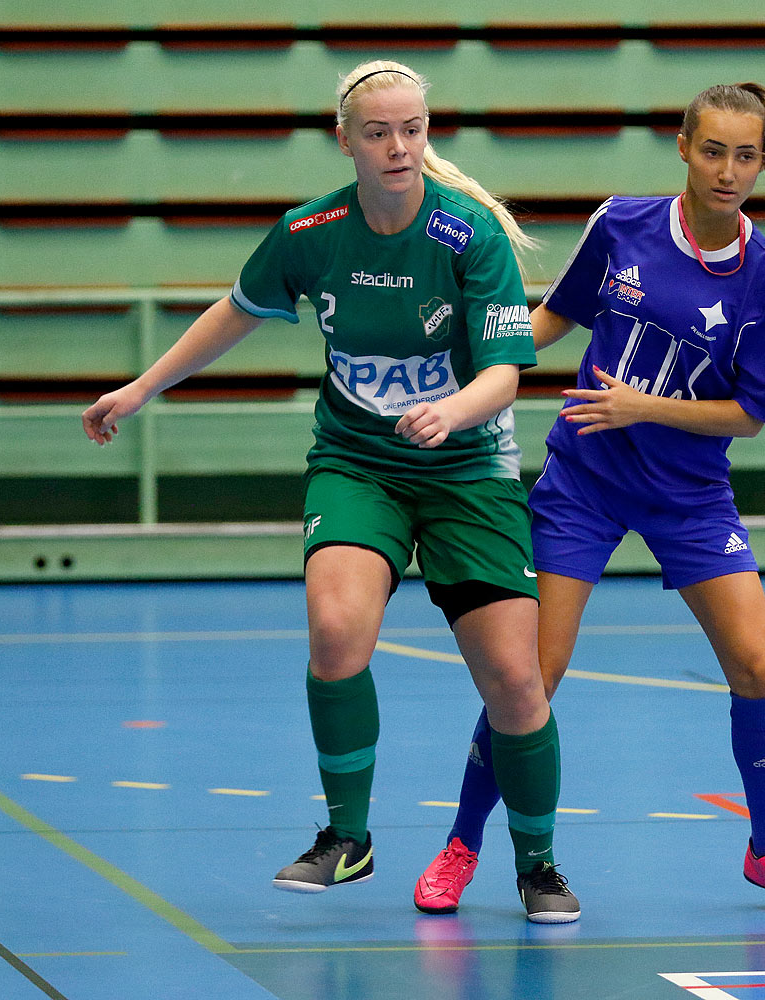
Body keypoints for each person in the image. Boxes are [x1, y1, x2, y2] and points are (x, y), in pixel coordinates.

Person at [81, 59, 580, 924]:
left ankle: (537, 863)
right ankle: (347, 838)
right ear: (344, 138)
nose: (398, 147)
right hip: (358, 463)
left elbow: (505, 374)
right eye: (379, 132)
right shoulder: (311, 231)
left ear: (429, 134)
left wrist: (449, 412)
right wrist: (141, 387)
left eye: (413, 131)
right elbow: (234, 309)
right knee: (336, 628)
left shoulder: (469, 236)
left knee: (513, 679)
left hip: (465, 468)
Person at [414, 80, 765, 916]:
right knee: (528, 677)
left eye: (746, 156)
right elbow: (549, 321)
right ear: (683, 148)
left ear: (762, 164)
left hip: (690, 499)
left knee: (757, 667)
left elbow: (755, 417)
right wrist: (472, 367)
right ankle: (462, 845)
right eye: (713, 150)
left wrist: (643, 407)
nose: (728, 171)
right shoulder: (621, 225)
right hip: (583, 483)